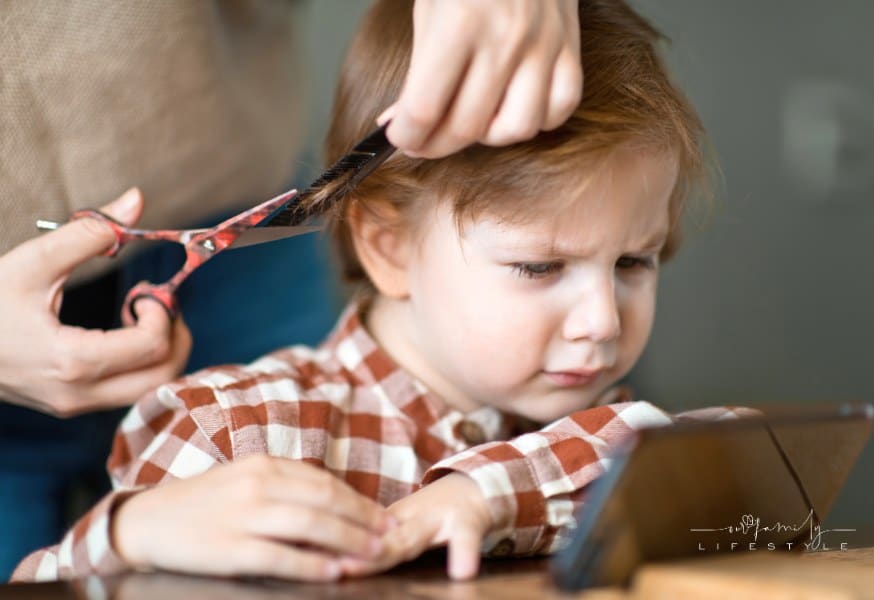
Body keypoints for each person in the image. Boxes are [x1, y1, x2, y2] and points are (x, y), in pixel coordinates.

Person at [12, 0, 744, 584]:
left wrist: (485, 496)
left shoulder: (600, 434)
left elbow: (744, 463)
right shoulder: (238, 434)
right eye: (539, 268)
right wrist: (128, 533)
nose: (601, 322)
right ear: (388, 249)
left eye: (634, 263)